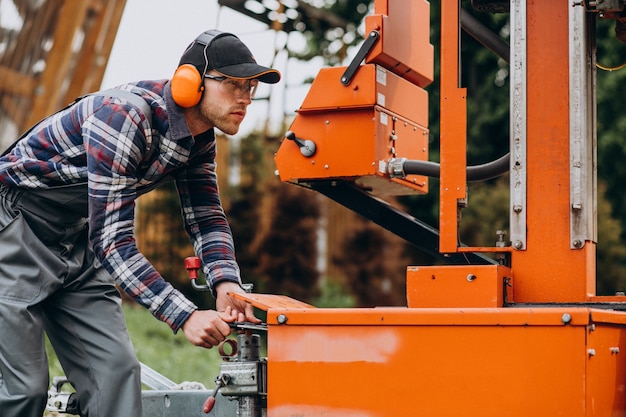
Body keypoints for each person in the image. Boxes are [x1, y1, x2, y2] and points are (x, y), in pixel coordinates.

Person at [0, 29, 280, 417]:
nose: (246, 97)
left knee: (115, 376)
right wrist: (185, 314)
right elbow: (113, 242)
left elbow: (206, 218)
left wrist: (225, 282)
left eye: (250, 87)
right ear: (191, 83)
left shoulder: (198, 139)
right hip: (15, 228)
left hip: (76, 235)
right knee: (23, 391)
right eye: (233, 84)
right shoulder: (124, 117)